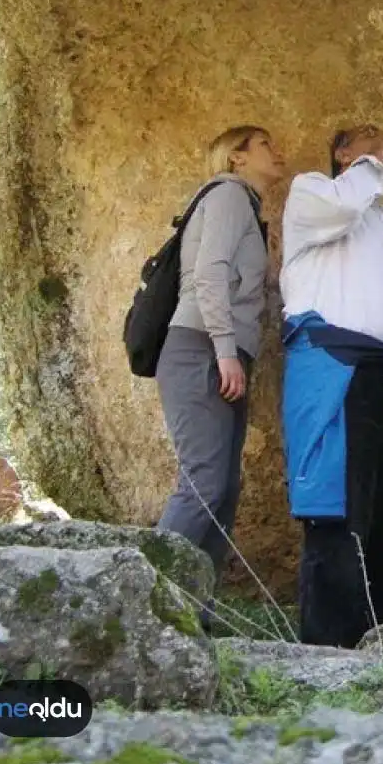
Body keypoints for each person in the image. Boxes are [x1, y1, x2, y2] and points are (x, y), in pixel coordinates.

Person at [280, 124, 383, 648]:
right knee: (338, 514)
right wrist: (378, 157)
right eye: (367, 138)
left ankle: (370, 649)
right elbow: (343, 205)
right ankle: (325, 658)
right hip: (334, 373)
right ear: (343, 154)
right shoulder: (311, 193)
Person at [156, 125, 285, 624]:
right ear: (236, 157)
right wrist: (226, 351)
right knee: (203, 484)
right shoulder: (229, 196)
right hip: (201, 349)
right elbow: (209, 275)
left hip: (219, 353)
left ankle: (194, 616)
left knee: (223, 489)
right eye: (265, 145)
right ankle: (140, 595)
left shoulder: (247, 207)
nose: (277, 153)